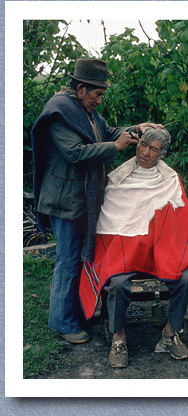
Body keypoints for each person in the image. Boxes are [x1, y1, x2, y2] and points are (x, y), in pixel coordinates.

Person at [31, 58, 163, 344]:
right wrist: (114, 147)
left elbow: (110, 133)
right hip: (63, 201)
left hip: (79, 199)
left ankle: (77, 314)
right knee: (67, 261)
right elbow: (76, 153)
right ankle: (63, 323)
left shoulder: (84, 111)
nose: (99, 101)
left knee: (81, 259)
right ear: (81, 89)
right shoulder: (59, 113)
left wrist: (136, 128)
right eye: (97, 94)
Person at [79, 127, 188, 368]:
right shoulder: (117, 179)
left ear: (163, 154)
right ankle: (118, 337)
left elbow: (179, 227)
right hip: (124, 255)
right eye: (143, 144)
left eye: (153, 149)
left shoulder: (170, 182)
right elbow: (109, 224)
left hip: (161, 256)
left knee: (185, 279)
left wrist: (160, 247)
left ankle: (170, 332)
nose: (145, 152)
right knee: (117, 282)